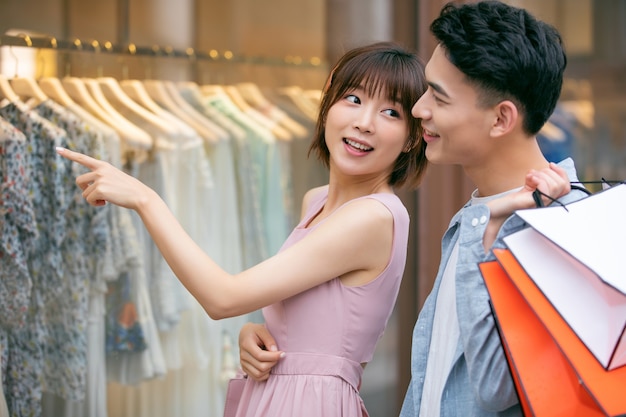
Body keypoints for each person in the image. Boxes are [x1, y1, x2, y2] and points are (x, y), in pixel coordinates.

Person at [237, 2, 586, 416]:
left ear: (500, 119)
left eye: (438, 97)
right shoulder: (479, 213)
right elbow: (438, 379)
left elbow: (496, 386)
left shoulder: (558, 225)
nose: (419, 110)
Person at [58, 41, 430, 417]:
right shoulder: (316, 202)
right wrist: (256, 334)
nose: (364, 122)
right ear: (328, 102)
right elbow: (310, 328)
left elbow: (224, 298)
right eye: (353, 98)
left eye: (390, 112)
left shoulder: (373, 217)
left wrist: (146, 199)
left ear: (413, 136)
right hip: (276, 394)